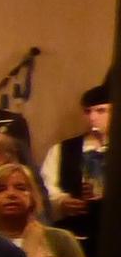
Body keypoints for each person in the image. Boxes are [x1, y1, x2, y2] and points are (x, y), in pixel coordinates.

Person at [0, 161, 87, 257]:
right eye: (1, 189)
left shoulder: (60, 239)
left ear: (33, 196)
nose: (11, 194)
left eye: (21, 188)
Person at [39, 84, 108, 244]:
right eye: (87, 111)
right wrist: (62, 202)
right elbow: (46, 187)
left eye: (101, 111)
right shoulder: (62, 149)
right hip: (75, 234)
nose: (92, 117)